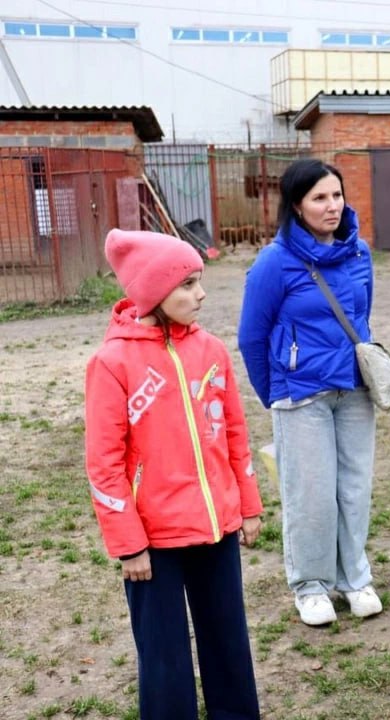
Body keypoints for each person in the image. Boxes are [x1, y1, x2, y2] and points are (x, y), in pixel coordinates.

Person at [84, 229, 264, 720]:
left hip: (216, 527)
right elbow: (103, 463)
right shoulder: (112, 363)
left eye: (199, 280)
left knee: (228, 643)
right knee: (165, 661)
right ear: (152, 291)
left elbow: (235, 433)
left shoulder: (212, 351)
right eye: (186, 284)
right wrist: (128, 544)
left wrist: (248, 505)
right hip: (152, 543)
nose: (200, 294)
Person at [237, 158, 383, 627]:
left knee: (353, 490)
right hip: (300, 395)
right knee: (311, 495)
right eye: (319, 197)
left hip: (354, 391)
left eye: (337, 195)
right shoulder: (274, 262)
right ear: (297, 206)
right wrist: (276, 394)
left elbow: (361, 316)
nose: (332, 205)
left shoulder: (358, 253)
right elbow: (251, 337)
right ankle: (311, 586)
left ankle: (354, 579)